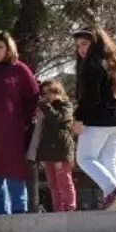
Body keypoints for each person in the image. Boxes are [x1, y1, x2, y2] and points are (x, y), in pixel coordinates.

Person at [0, 31, 41, 215]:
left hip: (13, 131)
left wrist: (25, 120)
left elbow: (34, 95)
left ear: (8, 49)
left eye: (0, 47)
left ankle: (20, 212)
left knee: (15, 173)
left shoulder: (19, 69)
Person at [72, 28, 116, 210]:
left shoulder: (92, 65)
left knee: (84, 159)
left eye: (85, 44)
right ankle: (114, 202)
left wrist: (79, 118)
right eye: (78, 46)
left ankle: (113, 190)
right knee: (108, 161)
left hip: (99, 120)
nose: (81, 49)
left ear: (96, 43)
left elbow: (91, 97)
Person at [31, 79, 78, 212]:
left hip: (61, 150)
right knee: (53, 183)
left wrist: (46, 107)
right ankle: (58, 208)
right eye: (44, 94)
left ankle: (69, 206)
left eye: (49, 92)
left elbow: (58, 119)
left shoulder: (66, 105)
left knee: (64, 180)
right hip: (48, 151)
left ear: (57, 91)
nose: (46, 96)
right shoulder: (43, 109)